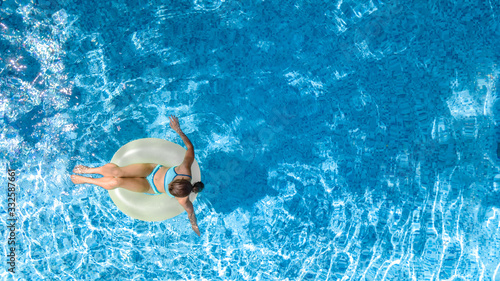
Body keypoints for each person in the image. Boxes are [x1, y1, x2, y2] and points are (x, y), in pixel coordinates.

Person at [71, 115, 204, 236]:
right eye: (171, 184)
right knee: (117, 172)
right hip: (150, 170)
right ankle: (90, 170)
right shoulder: (184, 169)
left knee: (116, 182)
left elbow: (190, 213)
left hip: (150, 186)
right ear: (179, 179)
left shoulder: (183, 200)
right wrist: (178, 130)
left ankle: (87, 180)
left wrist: (194, 225)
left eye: (170, 189)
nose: (168, 184)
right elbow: (190, 147)